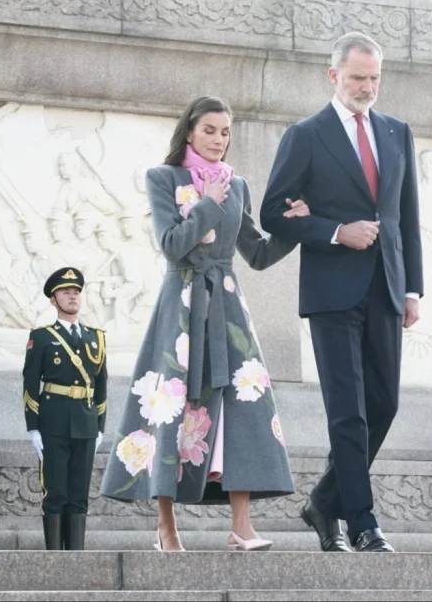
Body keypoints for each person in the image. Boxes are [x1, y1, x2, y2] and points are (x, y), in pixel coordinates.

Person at [99, 96, 310, 552]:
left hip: (228, 307)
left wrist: (293, 229)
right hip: (180, 305)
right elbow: (172, 244)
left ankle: (242, 527)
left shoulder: (238, 184)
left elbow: (257, 254)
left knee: (243, 402)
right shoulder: (163, 178)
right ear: (190, 132)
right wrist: (208, 203)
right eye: (210, 130)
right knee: (170, 405)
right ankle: (166, 527)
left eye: (225, 132)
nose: (218, 139)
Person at [259, 31, 424, 553]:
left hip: (387, 286)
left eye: (374, 78)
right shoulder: (305, 135)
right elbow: (271, 212)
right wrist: (334, 231)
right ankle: (362, 522)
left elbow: (406, 217)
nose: (367, 87)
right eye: (357, 78)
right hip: (331, 290)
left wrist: (413, 289)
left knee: (385, 404)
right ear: (334, 75)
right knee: (348, 412)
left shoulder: (397, 132)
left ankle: (322, 502)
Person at [22, 267, 108, 550]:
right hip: (54, 423)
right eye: (65, 292)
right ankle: (55, 559)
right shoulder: (42, 337)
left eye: (76, 292)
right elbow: (30, 383)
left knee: (79, 494)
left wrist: (100, 426)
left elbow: (101, 385)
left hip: (86, 423)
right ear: (53, 300)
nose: (72, 296)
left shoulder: (96, 338)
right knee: (56, 492)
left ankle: (76, 557)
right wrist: (33, 428)